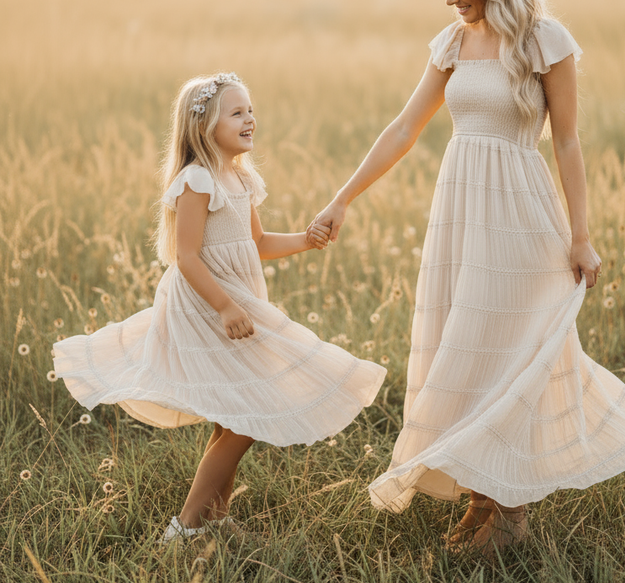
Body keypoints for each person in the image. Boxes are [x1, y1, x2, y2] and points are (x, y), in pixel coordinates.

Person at [309, 0, 625, 555]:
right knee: (466, 345)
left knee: (508, 349)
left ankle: (511, 513)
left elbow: (566, 140)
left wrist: (581, 237)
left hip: (521, 211)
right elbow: (404, 128)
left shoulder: (544, 40)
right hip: (460, 210)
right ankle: (482, 497)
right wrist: (342, 199)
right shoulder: (451, 43)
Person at [53, 72, 386, 544]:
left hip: (236, 300)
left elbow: (257, 241)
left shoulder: (242, 178)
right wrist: (226, 307)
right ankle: (186, 527)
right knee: (249, 414)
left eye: (250, 109)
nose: (250, 119)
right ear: (205, 126)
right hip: (206, 305)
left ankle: (215, 521)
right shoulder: (197, 180)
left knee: (235, 416)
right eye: (237, 112)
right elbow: (186, 255)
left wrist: (305, 242)